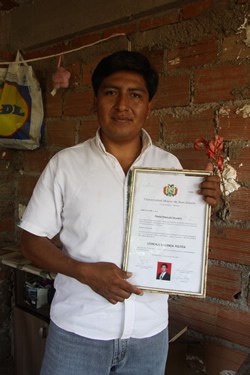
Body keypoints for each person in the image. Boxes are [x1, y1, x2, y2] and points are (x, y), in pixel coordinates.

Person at [19, 50, 221, 375]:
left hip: (149, 335)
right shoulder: (66, 165)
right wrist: (83, 271)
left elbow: (177, 235)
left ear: (148, 106)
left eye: (135, 95)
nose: (122, 105)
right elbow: (30, 241)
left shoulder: (169, 167)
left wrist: (206, 204)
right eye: (111, 92)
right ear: (95, 101)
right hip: (78, 333)